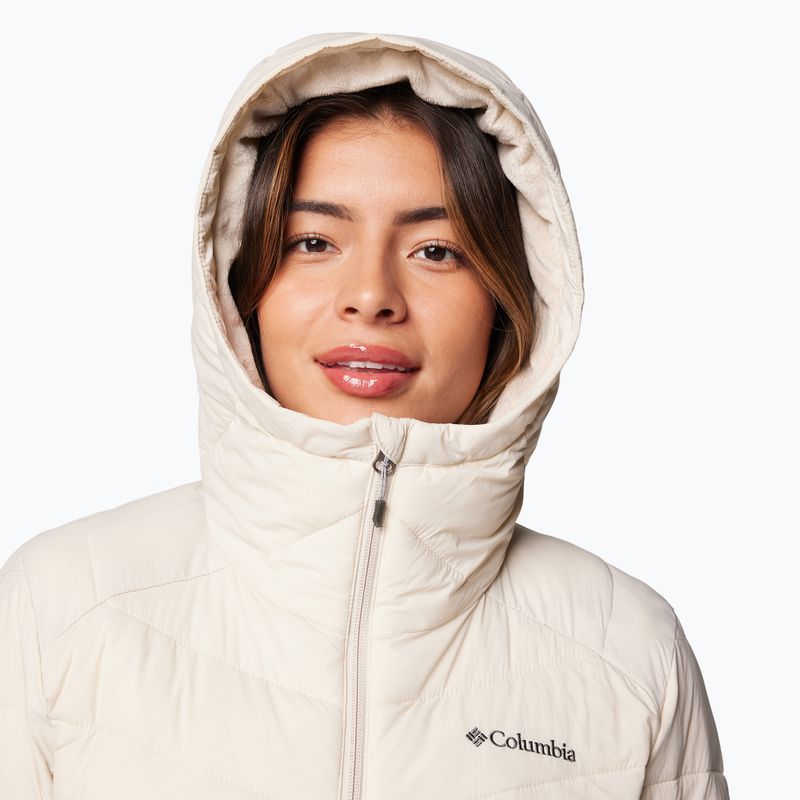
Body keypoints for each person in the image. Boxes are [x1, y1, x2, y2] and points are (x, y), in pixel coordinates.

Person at [0, 31, 729, 799]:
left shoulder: (629, 653)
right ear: (238, 287)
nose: (371, 295)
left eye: (436, 250)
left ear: (509, 299)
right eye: (314, 241)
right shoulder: (64, 606)